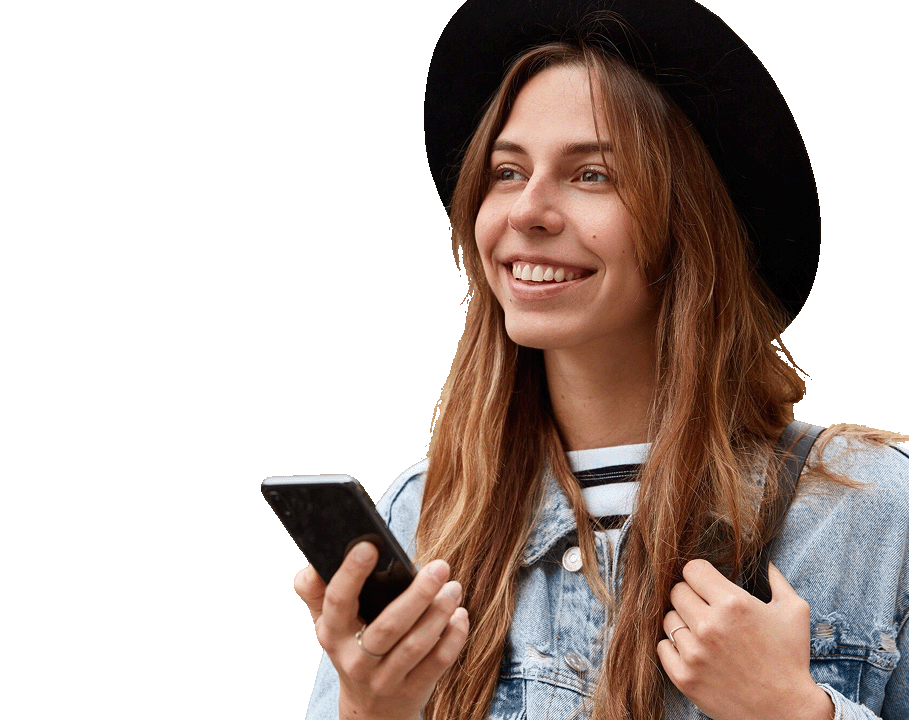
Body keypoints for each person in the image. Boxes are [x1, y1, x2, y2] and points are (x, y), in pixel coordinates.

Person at [294, 1, 908, 718]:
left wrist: (793, 710)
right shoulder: (423, 515)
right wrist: (370, 710)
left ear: (689, 222)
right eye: (505, 171)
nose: (527, 210)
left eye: (590, 175)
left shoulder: (870, 510)